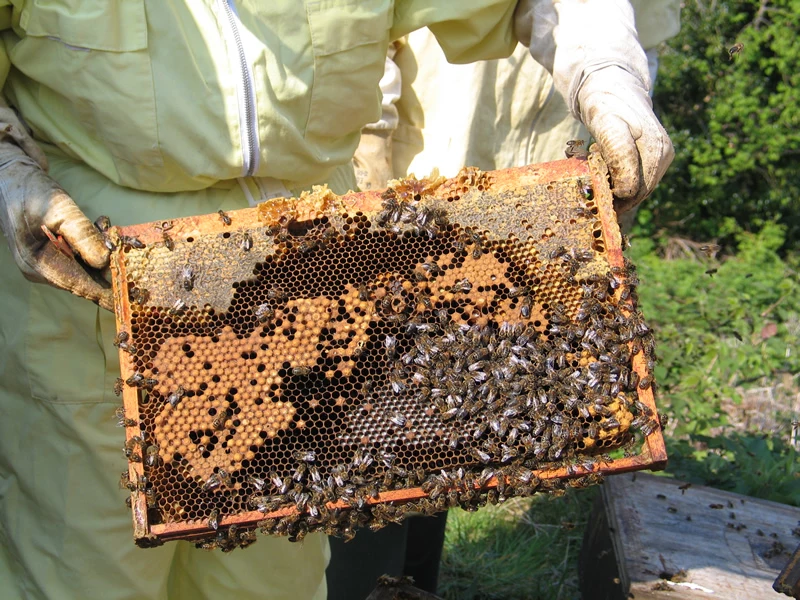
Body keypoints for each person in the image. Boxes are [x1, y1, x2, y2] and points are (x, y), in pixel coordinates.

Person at [0, 2, 673, 599]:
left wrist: (608, 76)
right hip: (90, 280)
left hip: (309, 287)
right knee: (87, 575)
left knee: (269, 580)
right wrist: (10, 171)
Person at [335, 2, 680, 597]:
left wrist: (614, 83)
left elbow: (629, 28)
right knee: (366, 435)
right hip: (417, 207)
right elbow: (356, 37)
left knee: (458, 417)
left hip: (544, 222)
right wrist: (363, 190)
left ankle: (412, 580)